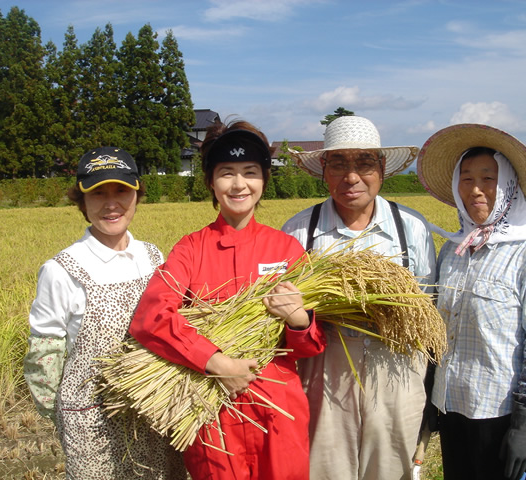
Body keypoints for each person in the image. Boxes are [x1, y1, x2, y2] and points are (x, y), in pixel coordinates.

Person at [128, 119, 326, 480]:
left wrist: (300, 321)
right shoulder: (191, 249)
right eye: (227, 173)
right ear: (211, 183)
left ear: (264, 180)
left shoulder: (286, 249)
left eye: (250, 172)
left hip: (277, 407)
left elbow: (311, 343)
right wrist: (217, 362)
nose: (239, 184)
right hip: (212, 412)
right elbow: (151, 317)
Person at [281, 115, 437, 480]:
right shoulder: (300, 230)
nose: (352, 176)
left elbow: (427, 308)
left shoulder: (410, 227)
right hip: (325, 367)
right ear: (324, 169)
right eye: (339, 163)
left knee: (389, 467)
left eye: (364, 162)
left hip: (396, 366)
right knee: (325, 466)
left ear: (382, 168)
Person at [23, 147, 185, 478]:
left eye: (121, 190)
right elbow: (43, 358)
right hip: (92, 425)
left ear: (137, 195)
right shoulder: (62, 270)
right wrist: (67, 419)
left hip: (154, 414)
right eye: (98, 193)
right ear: (82, 202)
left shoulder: (153, 257)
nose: (111, 203)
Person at [416, 123, 526, 480]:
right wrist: (430, 392)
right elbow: (438, 329)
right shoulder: (453, 250)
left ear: (509, 187)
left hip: (500, 414)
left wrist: (525, 425)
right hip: (452, 407)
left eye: (488, 178)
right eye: (466, 179)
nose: (476, 190)